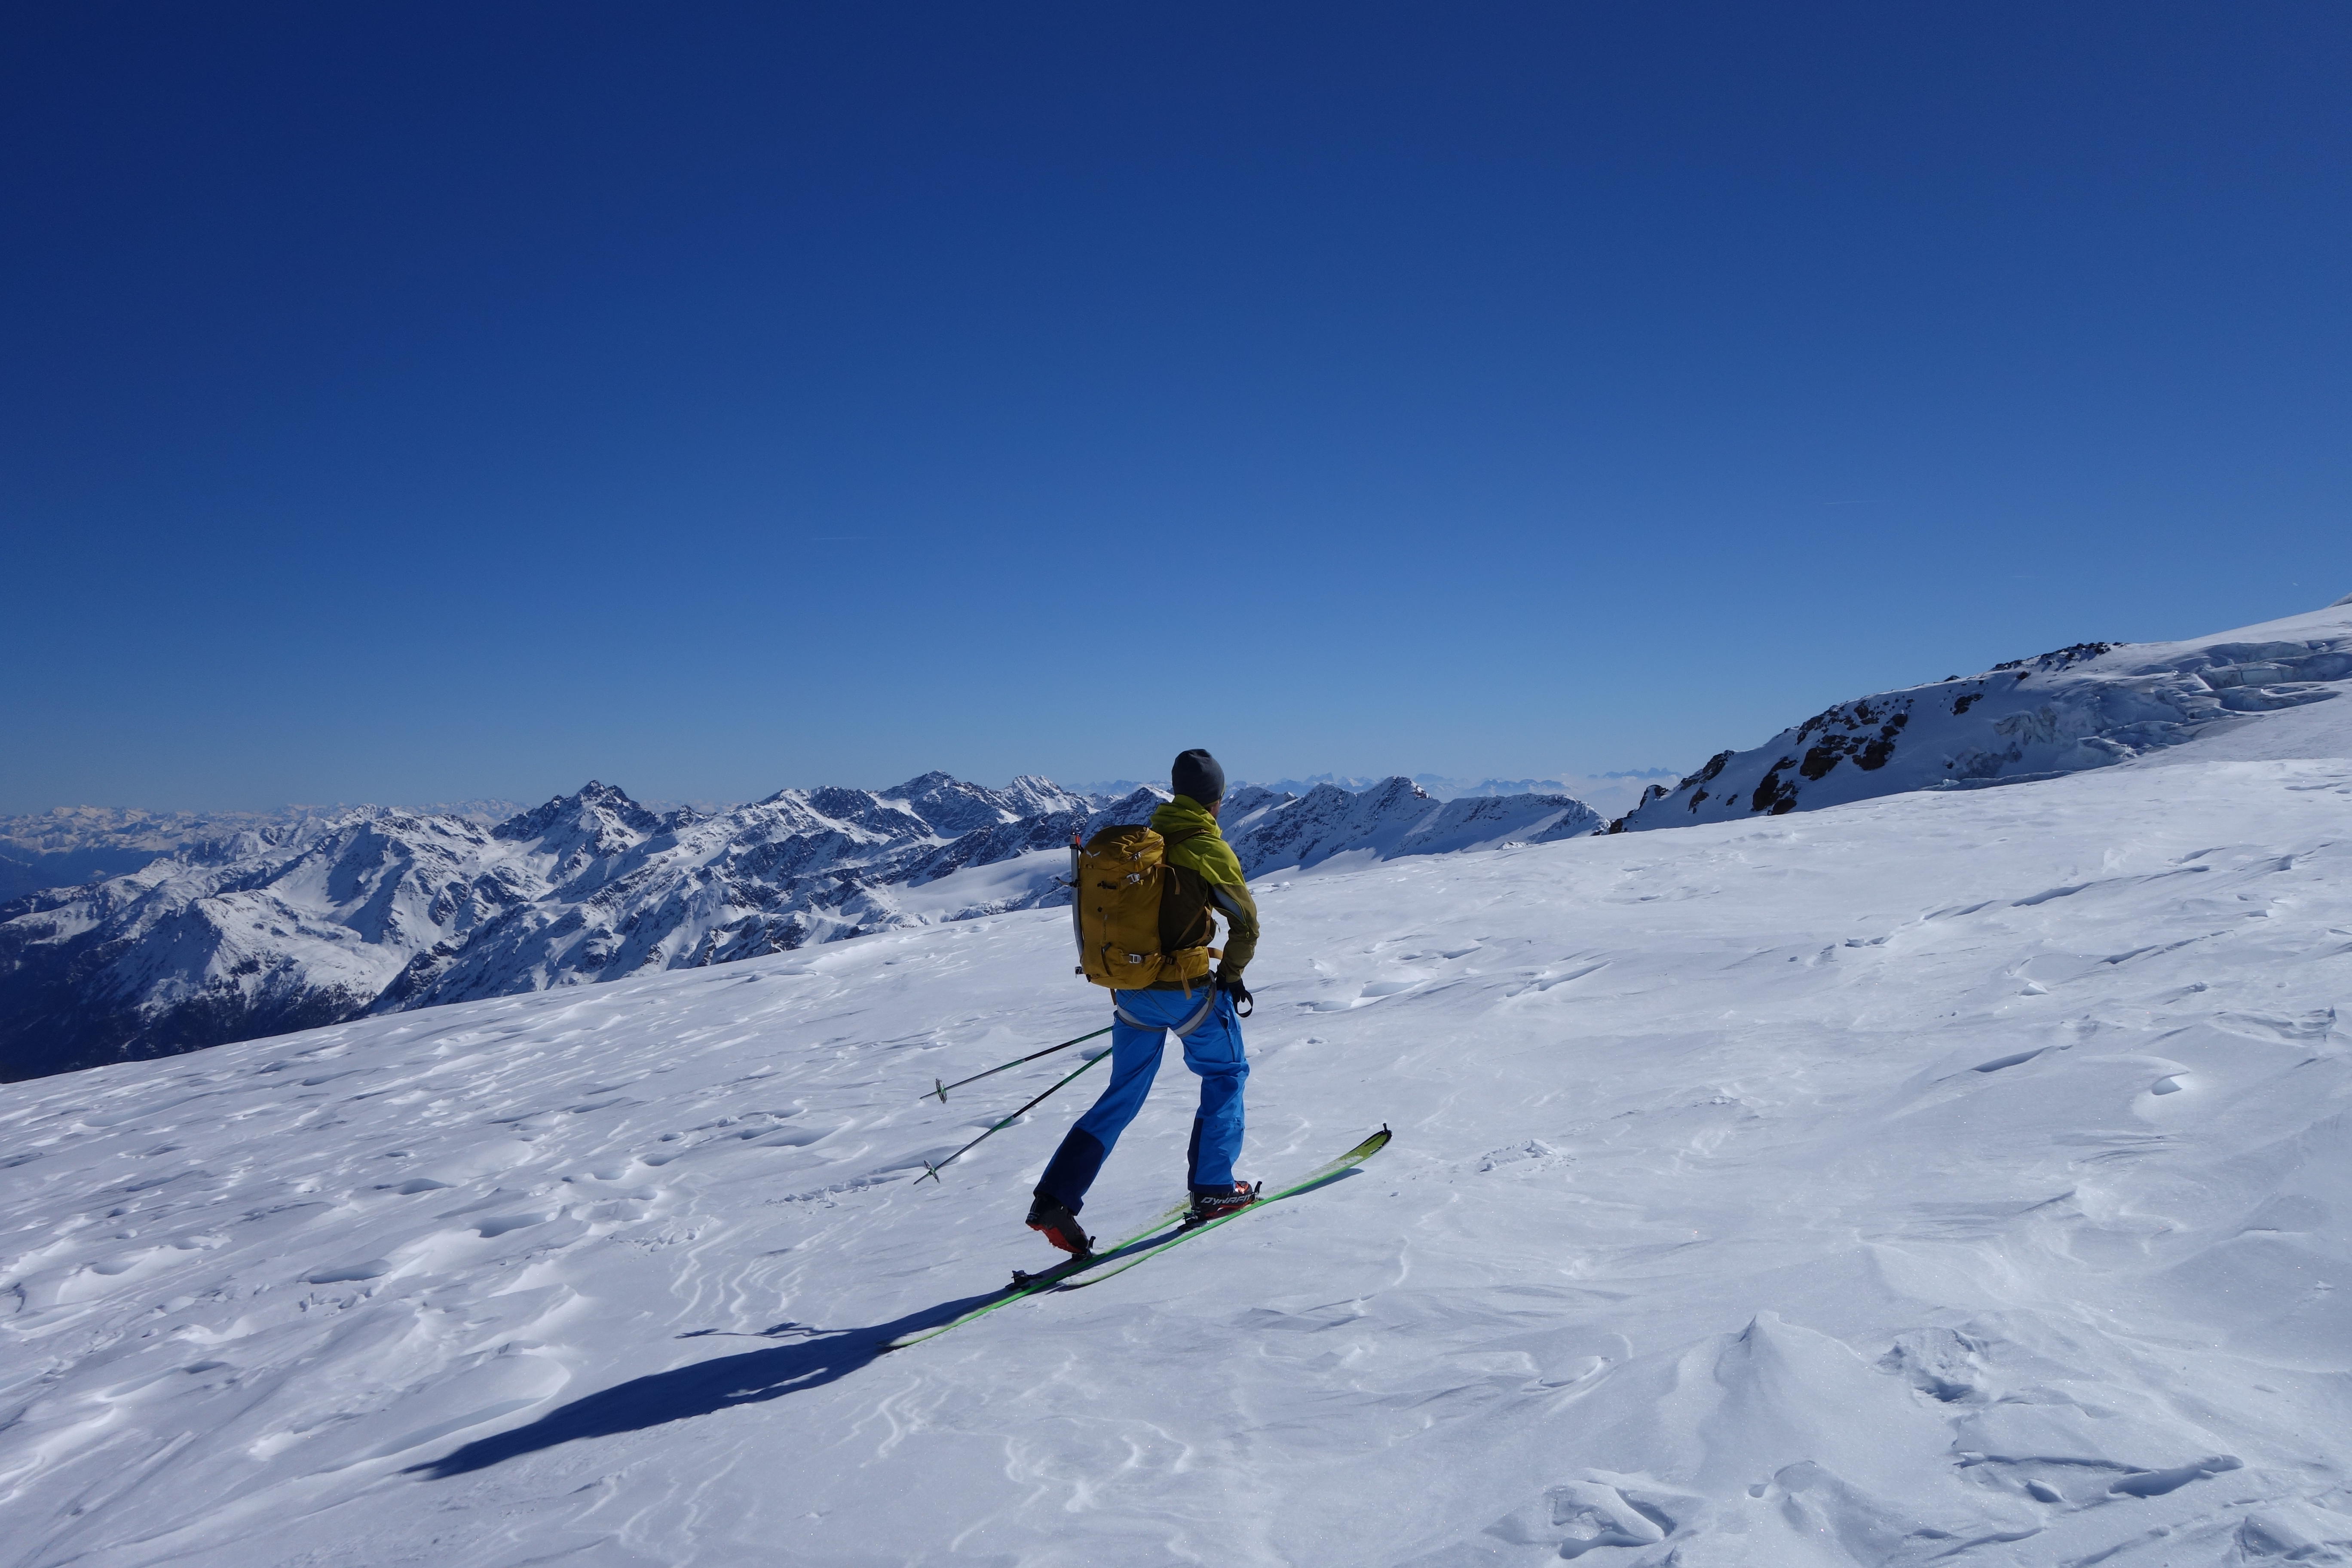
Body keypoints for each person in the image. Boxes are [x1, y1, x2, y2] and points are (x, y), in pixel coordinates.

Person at [1026, 748, 1262, 1256]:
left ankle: (1056, 1197)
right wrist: (1232, 976)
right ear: (1216, 799)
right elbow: (1246, 922)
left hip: (1131, 992)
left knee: (1123, 1093)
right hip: (1187, 992)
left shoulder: (1143, 843)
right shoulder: (1205, 846)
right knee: (1225, 1075)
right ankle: (1214, 1189)